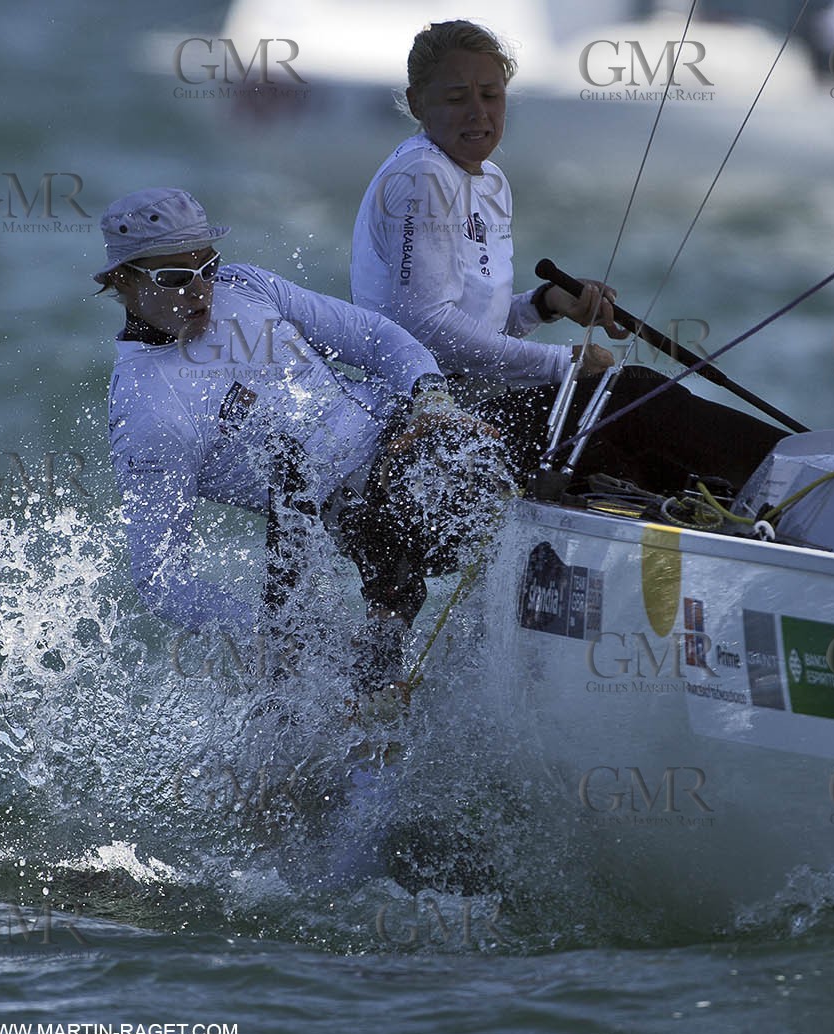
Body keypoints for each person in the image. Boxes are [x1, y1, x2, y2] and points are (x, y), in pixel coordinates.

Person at [351, 19, 789, 494]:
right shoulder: (422, 175)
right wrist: (561, 363)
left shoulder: (489, 182)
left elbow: (476, 329)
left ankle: (760, 507)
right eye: (457, 98)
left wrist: (544, 304)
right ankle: (799, 477)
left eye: (491, 96)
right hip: (428, 428)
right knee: (632, 396)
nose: (478, 113)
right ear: (418, 102)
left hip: (479, 406)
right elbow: (426, 328)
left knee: (637, 446)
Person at [98, 187, 497, 689]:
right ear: (122, 281)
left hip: (419, 432)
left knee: (613, 397)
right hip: (361, 514)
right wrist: (265, 632)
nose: (201, 290)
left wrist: (431, 399)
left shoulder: (244, 285)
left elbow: (373, 336)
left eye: (207, 266)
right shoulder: (147, 411)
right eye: (176, 277)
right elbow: (160, 581)